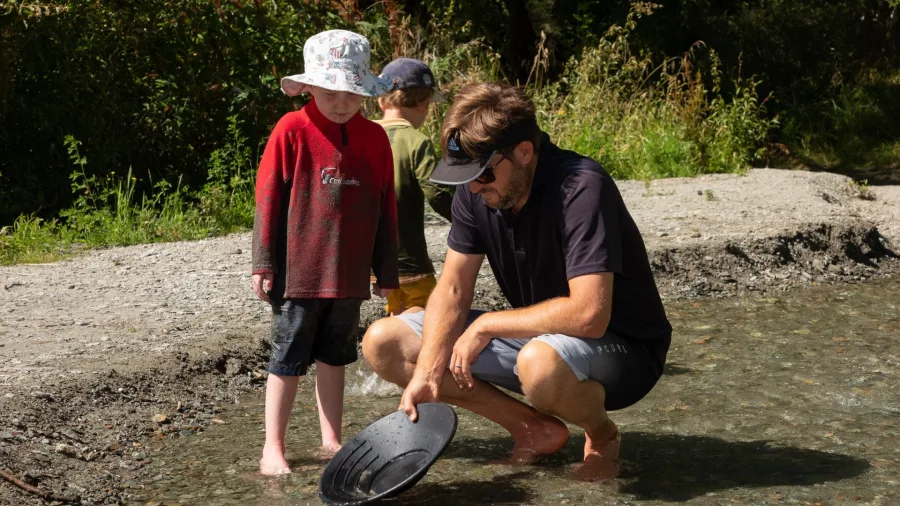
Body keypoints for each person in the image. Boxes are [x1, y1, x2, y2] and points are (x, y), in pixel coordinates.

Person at [362, 82, 671, 482]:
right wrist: (427, 370)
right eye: (465, 176)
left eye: (483, 174)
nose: (474, 187)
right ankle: (533, 429)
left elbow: (590, 315)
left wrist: (487, 325)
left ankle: (602, 435)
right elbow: (453, 287)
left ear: (524, 152)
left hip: (625, 349)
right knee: (385, 342)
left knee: (539, 364)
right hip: (540, 338)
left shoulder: (581, 188)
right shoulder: (478, 190)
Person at [251, 29, 399, 475]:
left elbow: (386, 206)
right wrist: (262, 262)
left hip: (349, 273)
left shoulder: (375, 138)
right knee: (288, 355)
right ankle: (272, 447)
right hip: (299, 270)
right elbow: (267, 197)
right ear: (310, 86)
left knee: (337, 354)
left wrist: (386, 271)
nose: (341, 102)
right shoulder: (291, 129)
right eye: (331, 91)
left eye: (352, 92)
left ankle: (330, 438)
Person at [374, 58, 454, 316]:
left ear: (380, 100)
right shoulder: (417, 142)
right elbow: (436, 192)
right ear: (423, 103)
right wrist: (466, 218)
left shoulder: (363, 136)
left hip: (372, 260)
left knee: (395, 312)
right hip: (408, 260)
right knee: (426, 314)